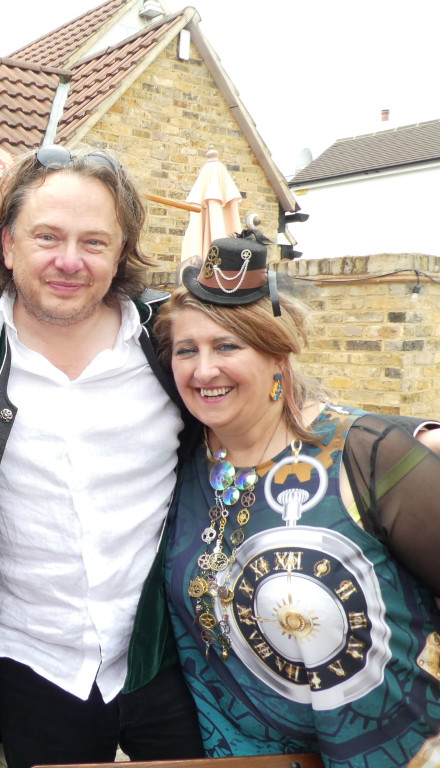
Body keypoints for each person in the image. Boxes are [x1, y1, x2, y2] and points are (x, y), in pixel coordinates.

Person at [0, 144, 204, 768]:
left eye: (95, 242)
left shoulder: (178, 336)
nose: (69, 261)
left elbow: (275, 400)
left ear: (122, 253)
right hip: (33, 665)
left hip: (169, 653)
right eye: (47, 236)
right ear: (7, 245)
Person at [153, 233, 440, 767]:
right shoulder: (183, 460)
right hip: (242, 756)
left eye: (227, 346)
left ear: (278, 355)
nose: (203, 370)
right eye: (187, 350)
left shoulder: (365, 456)